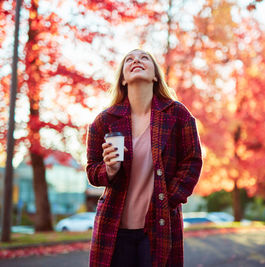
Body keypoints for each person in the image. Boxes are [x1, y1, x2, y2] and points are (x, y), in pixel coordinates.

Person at [86, 49, 203, 267]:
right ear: (122, 78)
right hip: (114, 227)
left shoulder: (178, 115)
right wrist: (109, 170)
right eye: (129, 59)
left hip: (159, 226)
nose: (136, 61)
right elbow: (92, 169)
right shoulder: (103, 121)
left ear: (156, 75)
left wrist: (167, 200)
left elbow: (192, 161)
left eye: (144, 58)